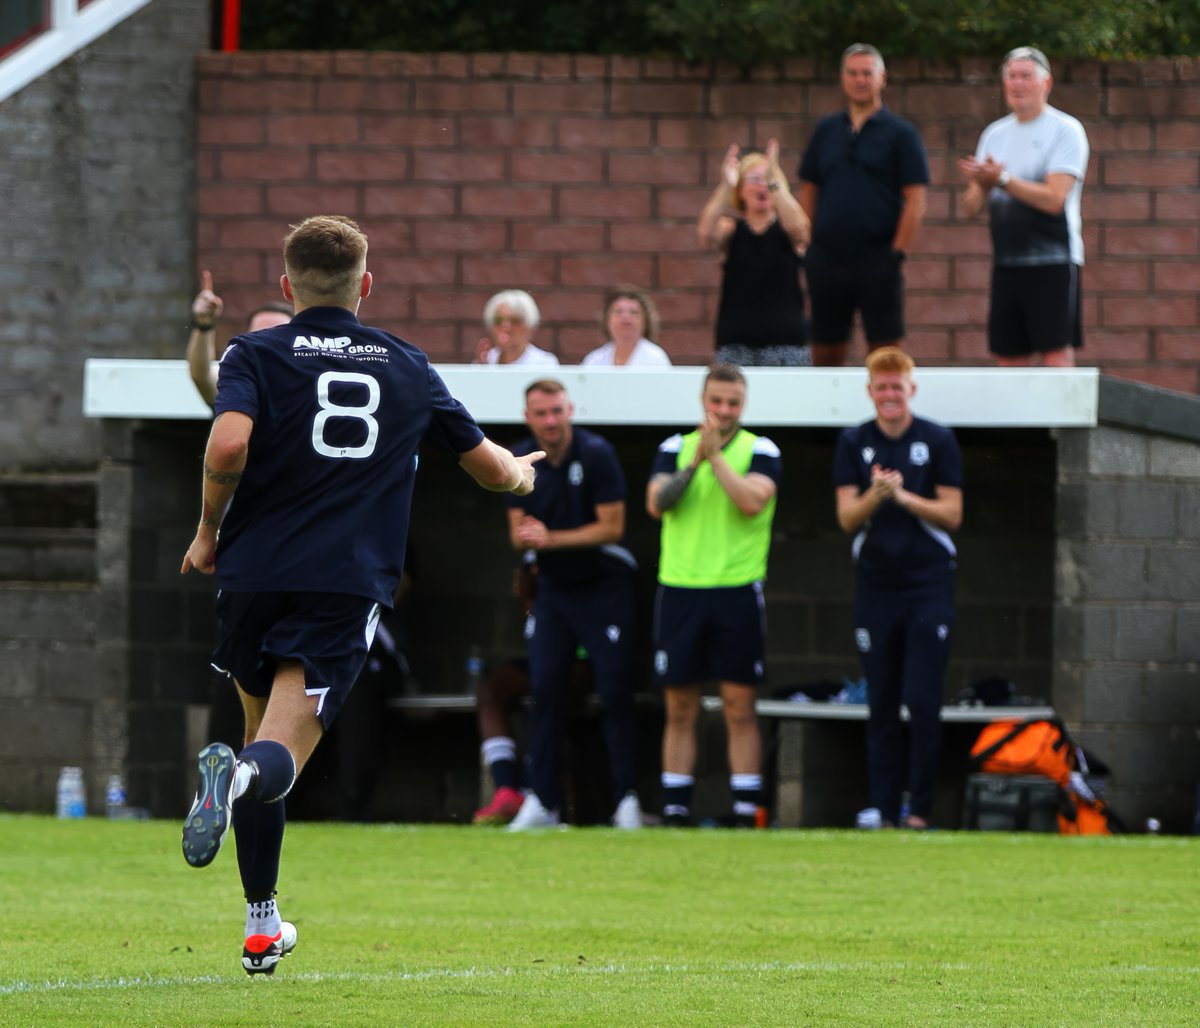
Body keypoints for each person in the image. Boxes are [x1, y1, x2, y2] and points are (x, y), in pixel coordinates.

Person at [178, 215, 543, 976]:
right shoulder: (404, 363)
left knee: (259, 735)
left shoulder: (254, 350)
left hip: (251, 576)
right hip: (340, 585)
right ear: (365, 286)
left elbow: (227, 442)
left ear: (286, 286)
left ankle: (261, 923)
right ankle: (236, 781)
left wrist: (209, 529)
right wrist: (522, 471)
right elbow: (487, 467)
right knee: (274, 756)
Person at [503, 379, 642, 831]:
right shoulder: (519, 458)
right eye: (541, 413)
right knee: (544, 692)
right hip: (554, 594)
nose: (550, 421)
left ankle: (626, 800)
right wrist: (533, 541)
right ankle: (542, 801)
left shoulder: (596, 453)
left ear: (570, 410)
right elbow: (516, 531)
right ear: (528, 418)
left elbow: (612, 527)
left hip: (604, 589)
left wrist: (552, 539)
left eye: (557, 411)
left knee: (616, 692)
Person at [832, 347, 962, 830]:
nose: (889, 395)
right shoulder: (853, 441)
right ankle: (885, 812)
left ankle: (920, 811)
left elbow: (952, 513)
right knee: (881, 701)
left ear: (911, 389)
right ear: (870, 391)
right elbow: (847, 517)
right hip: (875, 590)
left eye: (897, 386)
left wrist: (903, 496)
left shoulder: (938, 440)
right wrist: (876, 495)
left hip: (928, 588)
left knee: (924, 701)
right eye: (881, 387)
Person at [646, 364, 781, 827]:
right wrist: (695, 461)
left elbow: (751, 501)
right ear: (703, 400)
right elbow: (657, 503)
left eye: (733, 403)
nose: (723, 411)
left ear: (743, 406)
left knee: (739, 706)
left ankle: (746, 812)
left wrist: (717, 457)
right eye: (716, 401)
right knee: (679, 706)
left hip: (736, 591)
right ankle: (675, 808)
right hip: (680, 590)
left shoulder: (760, 449)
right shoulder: (672, 448)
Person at [798, 43, 929, 367]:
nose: (860, 80)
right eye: (853, 73)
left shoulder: (902, 134)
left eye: (867, 73)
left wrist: (896, 252)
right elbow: (809, 188)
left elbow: (916, 199)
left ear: (882, 77)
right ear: (843, 78)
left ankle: (886, 413)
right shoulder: (826, 130)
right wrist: (808, 244)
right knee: (826, 350)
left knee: (886, 354)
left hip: (878, 259)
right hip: (827, 260)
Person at [958, 46, 1089, 367]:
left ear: (1046, 83)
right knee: (1008, 357)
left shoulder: (1065, 130)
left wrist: (1002, 179)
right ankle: (1018, 421)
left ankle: (1058, 420)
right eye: (1012, 77)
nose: (1018, 84)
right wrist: (983, 185)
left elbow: (1055, 198)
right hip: (1007, 263)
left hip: (1054, 261)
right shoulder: (994, 134)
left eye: (1026, 77)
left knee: (1055, 353)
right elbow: (970, 209)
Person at [698, 140, 811, 367]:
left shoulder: (786, 230)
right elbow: (706, 234)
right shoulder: (731, 230)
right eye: (754, 179)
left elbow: (801, 230)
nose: (762, 186)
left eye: (766, 179)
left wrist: (776, 183)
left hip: (786, 343)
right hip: (735, 344)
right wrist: (726, 187)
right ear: (741, 191)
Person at [186, 270, 292, 405]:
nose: (268, 344)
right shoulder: (237, 379)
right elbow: (202, 375)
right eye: (261, 336)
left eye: (277, 336)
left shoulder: (310, 380)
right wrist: (204, 327)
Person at [581, 285, 672, 367]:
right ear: (607, 320)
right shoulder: (594, 360)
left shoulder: (656, 359)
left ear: (645, 321)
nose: (625, 317)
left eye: (634, 312)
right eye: (618, 312)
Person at [473, 289, 559, 366]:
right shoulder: (485, 360)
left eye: (514, 321)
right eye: (498, 320)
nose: (505, 327)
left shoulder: (544, 363)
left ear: (530, 327)